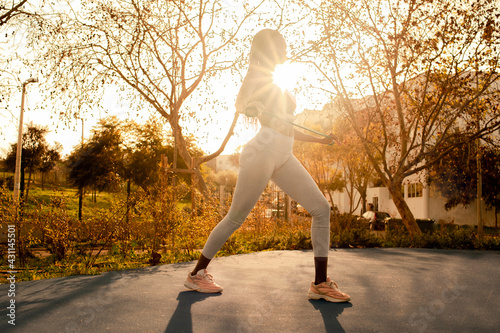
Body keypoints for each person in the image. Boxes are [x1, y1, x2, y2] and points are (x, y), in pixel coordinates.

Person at [184, 29, 350, 303]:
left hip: (284, 153)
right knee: (235, 218)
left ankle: (320, 283)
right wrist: (251, 107)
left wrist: (322, 141)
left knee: (321, 208)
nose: (286, 49)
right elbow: (241, 103)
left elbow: (288, 127)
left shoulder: (277, 80)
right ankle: (196, 274)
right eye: (282, 45)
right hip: (261, 151)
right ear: (269, 50)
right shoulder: (256, 74)